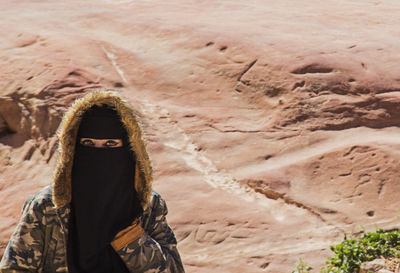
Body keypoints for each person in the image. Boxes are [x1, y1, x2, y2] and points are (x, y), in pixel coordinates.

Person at [0, 90, 184, 273]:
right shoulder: (48, 205)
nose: (98, 155)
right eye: (88, 144)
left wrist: (131, 239)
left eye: (111, 144)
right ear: (73, 151)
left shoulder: (146, 205)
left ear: (129, 151)